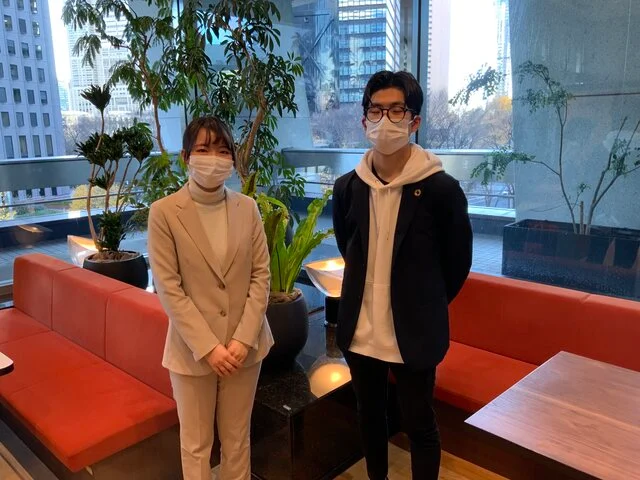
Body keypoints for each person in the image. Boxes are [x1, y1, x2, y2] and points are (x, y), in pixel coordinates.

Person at [332, 71, 473, 479]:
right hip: (361, 330)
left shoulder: (441, 190)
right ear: (364, 120)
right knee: (369, 417)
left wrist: (421, 302)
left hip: (413, 332)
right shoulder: (348, 187)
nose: (385, 120)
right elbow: (347, 245)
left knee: (419, 424)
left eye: (396, 110)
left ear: (415, 121)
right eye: (376, 111)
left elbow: (457, 263)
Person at [148, 116, 274, 480]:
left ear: (232, 158)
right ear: (186, 156)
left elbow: (261, 276)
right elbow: (169, 288)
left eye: (222, 150)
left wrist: (242, 340)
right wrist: (209, 347)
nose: (214, 158)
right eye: (203, 149)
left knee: (237, 440)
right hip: (192, 351)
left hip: (244, 348)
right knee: (196, 445)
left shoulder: (247, 208)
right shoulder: (164, 212)